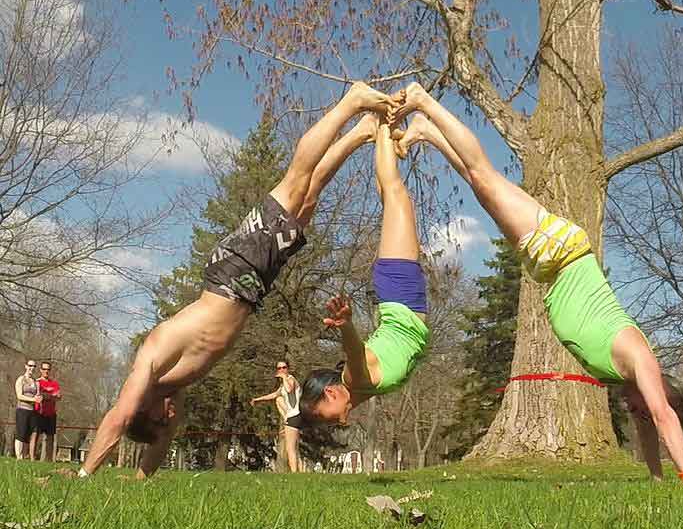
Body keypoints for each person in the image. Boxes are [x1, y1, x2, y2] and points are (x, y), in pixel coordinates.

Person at [79, 83, 400, 479]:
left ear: (145, 411)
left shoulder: (146, 371)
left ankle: (350, 102)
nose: (173, 417)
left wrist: (84, 475)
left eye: (164, 418)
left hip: (233, 271)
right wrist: (142, 477)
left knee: (296, 181)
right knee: (309, 199)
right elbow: (160, 440)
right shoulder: (169, 390)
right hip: (248, 284)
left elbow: (118, 418)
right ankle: (360, 132)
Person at [390, 82, 683, 483]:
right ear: (661, 391)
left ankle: (426, 131)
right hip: (561, 252)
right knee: (485, 175)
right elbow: (660, 416)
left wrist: (659, 480)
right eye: (643, 408)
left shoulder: (628, 378)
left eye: (638, 412)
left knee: (484, 190)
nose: (635, 412)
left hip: (551, 265)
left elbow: (647, 425)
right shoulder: (642, 360)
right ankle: (423, 100)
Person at [300, 120, 430, 424]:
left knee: (397, 195)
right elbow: (334, 408)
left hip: (401, 296)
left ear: (331, 393)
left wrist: (345, 325)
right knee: (393, 201)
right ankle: (386, 140)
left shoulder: (354, 379)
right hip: (403, 298)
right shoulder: (356, 392)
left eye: (329, 418)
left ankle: (382, 124)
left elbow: (354, 351)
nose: (337, 422)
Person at [250, 360, 302, 472]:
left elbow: (289, 389)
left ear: (288, 368)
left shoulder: (291, 380)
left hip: (295, 416)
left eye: (284, 367)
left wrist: (283, 377)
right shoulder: (283, 385)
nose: (282, 370)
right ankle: (298, 472)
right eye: (279, 368)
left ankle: (295, 474)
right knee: (278, 399)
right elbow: (274, 395)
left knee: (290, 449)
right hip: (291, 416)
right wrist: (257, 399)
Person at [30, 361, 61, 462]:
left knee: (50, 437)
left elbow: (59, 396)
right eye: (44, 369)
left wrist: (46, 395)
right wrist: (50, 396)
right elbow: (37, 396)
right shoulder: (37, 382)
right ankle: (32, 458)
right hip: (39, 412)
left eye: (48, 369)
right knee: (35, 435)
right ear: (40, 370)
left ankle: (48, 460)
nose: (46, 371)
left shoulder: (54, 383)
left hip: (51, 413)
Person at [14, 360, 42, 460]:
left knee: (30, 433)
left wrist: (39, 398)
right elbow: (19, 396)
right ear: (26, 366)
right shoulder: (21, 379)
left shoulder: (36, 382)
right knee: (20, 433)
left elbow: (37, 395)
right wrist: (32, 399)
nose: (32, 368)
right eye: (30, 365)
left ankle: (27, 456)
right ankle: (19, 457)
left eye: (34, 366)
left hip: (32, 411)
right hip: (22, 409)